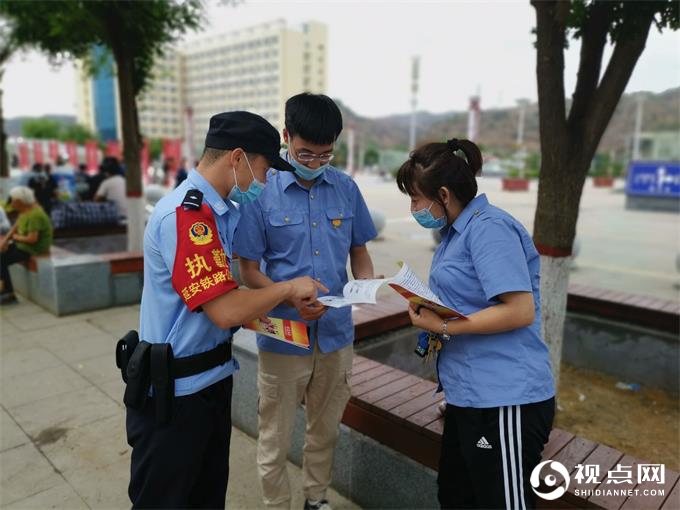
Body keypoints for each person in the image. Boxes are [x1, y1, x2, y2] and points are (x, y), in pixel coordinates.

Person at [125, 110, 326, 509]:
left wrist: (276, 306)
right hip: (177, 397)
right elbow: (225, 311)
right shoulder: (188, 216)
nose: (266, 182)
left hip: (209, 383)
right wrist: (287, 287)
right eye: (265, 169)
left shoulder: (217, 214)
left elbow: (224, 299)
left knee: (205, 497)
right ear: (238, 158)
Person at [233, 93, 378, 510]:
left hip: (335, 334)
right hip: (283, 335)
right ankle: (277, 504)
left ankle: (316, 498)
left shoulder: (346, 188)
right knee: (275, 436)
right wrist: (289, 297)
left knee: (325, 429)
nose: (314, 164)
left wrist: (365, 283)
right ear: (286, 137)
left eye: (325, 155)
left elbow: (359, 252)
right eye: (305, 154)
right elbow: (249, 270)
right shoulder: (261, 191)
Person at [396, 138, 555, 510]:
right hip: (469, 394)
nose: (414, 208)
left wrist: (445, 327)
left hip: (505, 398)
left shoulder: (490, 230)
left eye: (417, 199)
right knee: (456, 496)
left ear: (444, 194)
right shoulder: (456, 234)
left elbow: (519, 310)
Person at [0, 186, 53, 305]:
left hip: (33, 249)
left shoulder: (35, 215)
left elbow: (32, 239)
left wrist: (14, 238)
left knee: (2, 258)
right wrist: (5, 241)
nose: (12, 203)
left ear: (20, 201)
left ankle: (8, 294)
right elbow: (15, 227)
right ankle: (3, 289)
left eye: (13, 201)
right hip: (22, 245)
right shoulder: (25, 211)